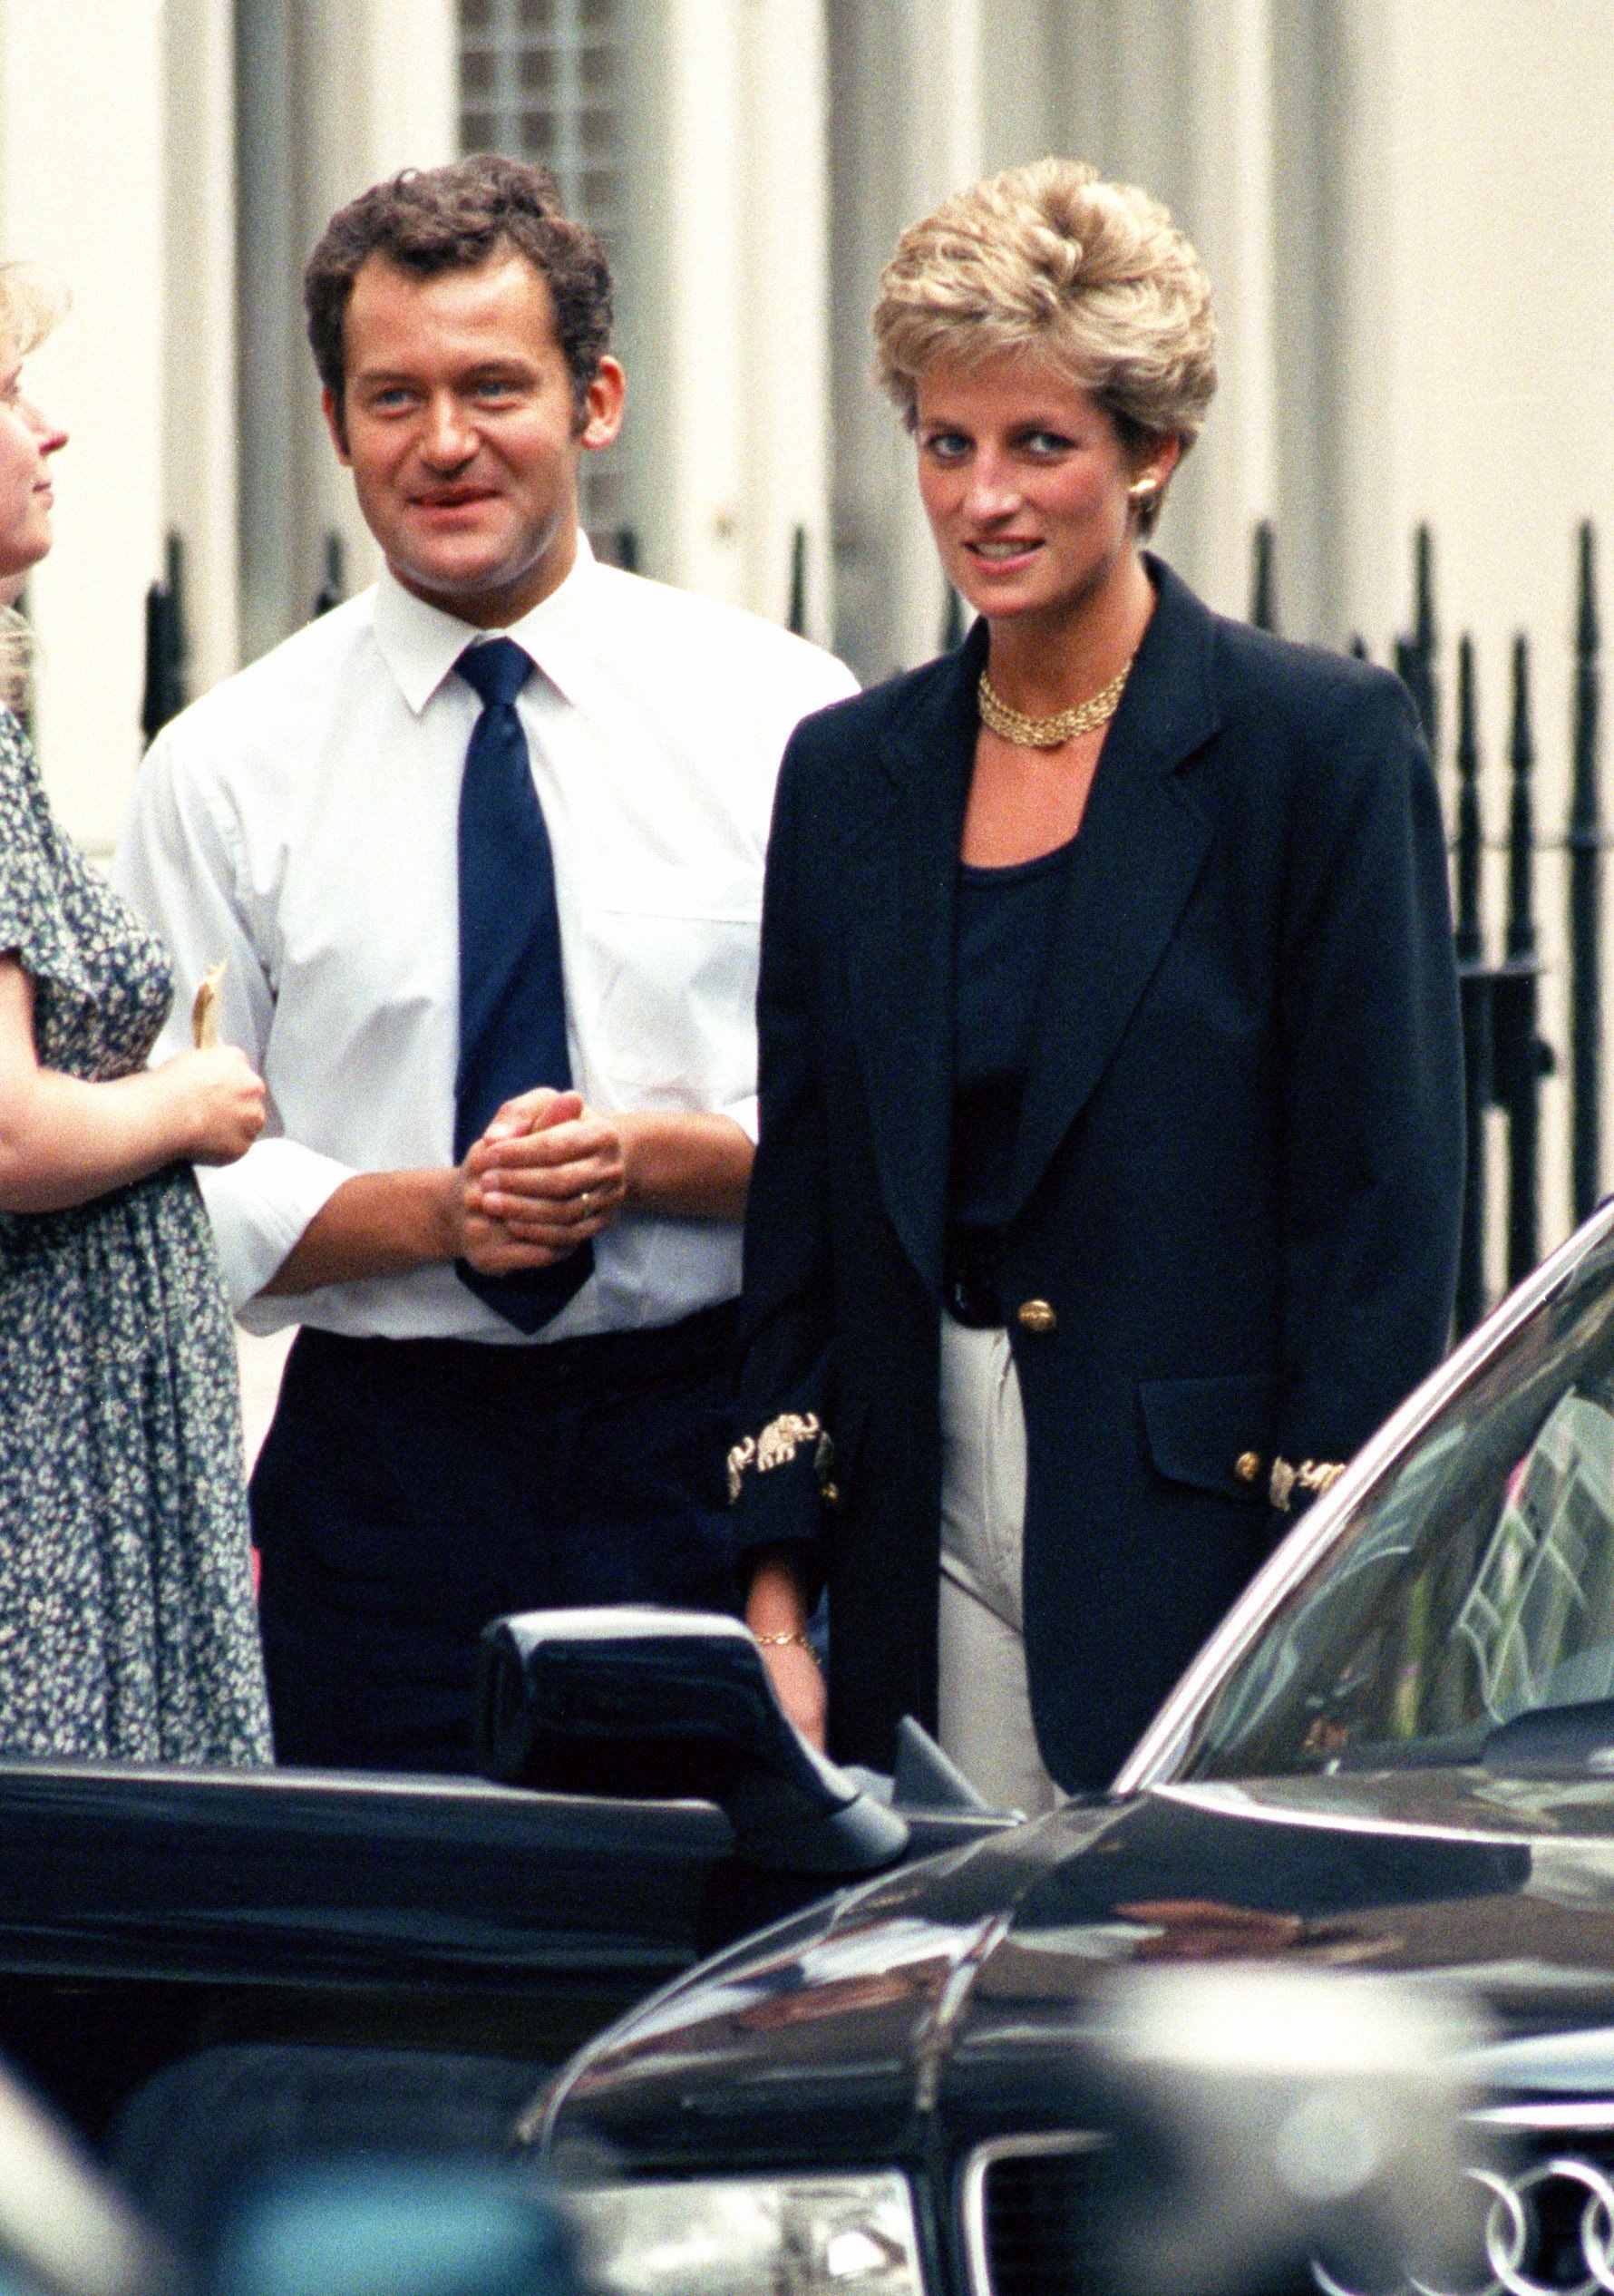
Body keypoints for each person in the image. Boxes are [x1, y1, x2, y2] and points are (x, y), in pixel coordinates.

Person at [731, 159, 1463, 1811]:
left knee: (1152, 1963)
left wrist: (1319, 1638)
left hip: (1201, 1552)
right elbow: (806, 1212)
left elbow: (1379, 1218)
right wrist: (777, 1603)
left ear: (1152, 456)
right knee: (954, 1949)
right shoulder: (847, 775)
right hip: (909, 1528)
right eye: (946, 444)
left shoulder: (1318, 749)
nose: (984, 498)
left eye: (1039, 445)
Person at [114, 156, 855, 1775]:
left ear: (596, 401)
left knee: (707, 1912)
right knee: (391, 1913)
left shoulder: (785, 722)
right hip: (383, 1483)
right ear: (337, 425)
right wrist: (442, 1215)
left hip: (705, 1457)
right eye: (395, 397)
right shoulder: (226, 770)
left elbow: (868, 1133)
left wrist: (646, 1162)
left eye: (494, 388)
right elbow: (164, 1178)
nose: (443, 442)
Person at [0, 268, 272, 1764]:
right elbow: (9, 1132)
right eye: (8, 395)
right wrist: (190, 1104)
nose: (49, 430)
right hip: (41, 1466)